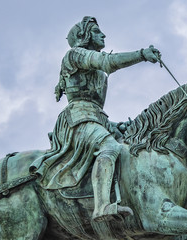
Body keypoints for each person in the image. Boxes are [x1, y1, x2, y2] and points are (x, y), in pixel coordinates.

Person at [30, 16, 160, 222]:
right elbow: (107, 63)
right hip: (77, 119)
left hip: (95, 118)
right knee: (110, 147)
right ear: (85, 36)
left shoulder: (93, 67)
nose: (103, 35)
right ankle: (101, 206)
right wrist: (141, 54)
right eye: (98, 32)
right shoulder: (75, 55)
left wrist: (114, 125)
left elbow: (95, 107)